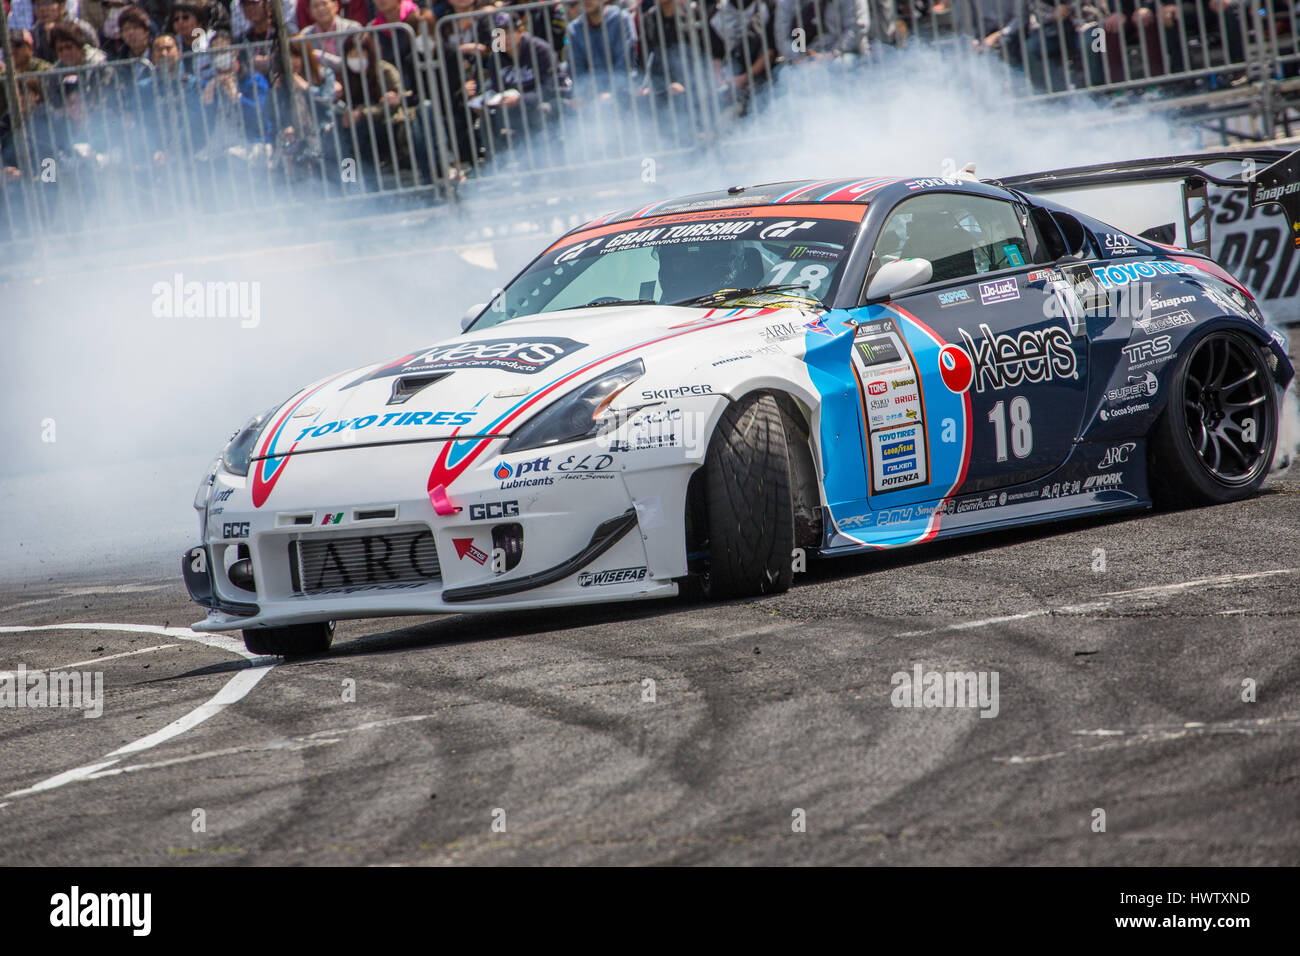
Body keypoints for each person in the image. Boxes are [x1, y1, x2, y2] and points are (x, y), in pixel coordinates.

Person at [566, 0, 636, 101]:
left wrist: (613, 94)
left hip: (624, 91)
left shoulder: (621, 19)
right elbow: (577, 70)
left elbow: (624, 64)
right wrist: (585, 94)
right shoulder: (573, 29)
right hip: (591, 96)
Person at [654, 239, 764, 301]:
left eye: (693, 261)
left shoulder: (762, 286)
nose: (688, 266)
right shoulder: (660, 311)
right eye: (679, 263)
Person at [774, 0, 866, 61]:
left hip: (841, 53)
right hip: (803, 57)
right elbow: (782, 35)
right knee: (783, 73)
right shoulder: (787, 2)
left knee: (839, 65)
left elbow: (856, 29)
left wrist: (831, 55)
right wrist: (797, 58)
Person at [297, 0, 363, 74]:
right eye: (315, 6)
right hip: (321, 83)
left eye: (324, 3)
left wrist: (321, 57)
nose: (321, 9)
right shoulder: (305, 35)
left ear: (336, 5)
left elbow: (352, 63)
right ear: (310, 12)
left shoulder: (352, 29)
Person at [31, 0, 99, 63]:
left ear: (62, 6)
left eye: (47, 3)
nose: (42, 9)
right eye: (37, 5)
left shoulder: (82, 28)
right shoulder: (35, 34)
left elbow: (94, 52)